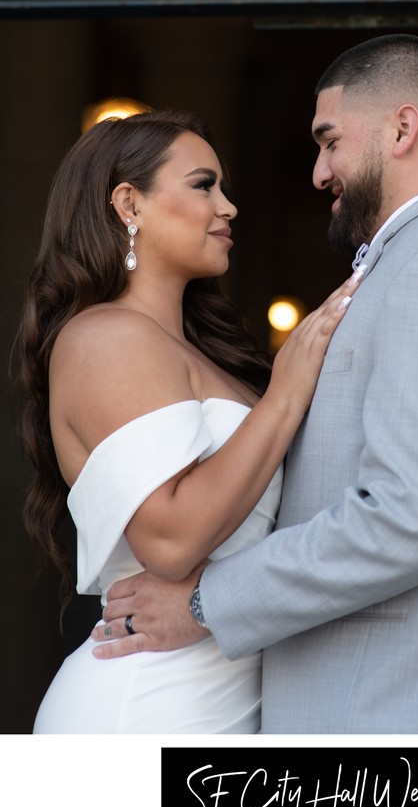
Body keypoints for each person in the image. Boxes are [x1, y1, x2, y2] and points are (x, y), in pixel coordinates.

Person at [93, 34, 418, 733]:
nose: (316, 172)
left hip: (409, 728)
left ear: (402, 128)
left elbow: (410, 517)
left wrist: (204, 602)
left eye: (329, 141)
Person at [14, 108, 358, 733]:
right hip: (145, 708)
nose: (228, 208)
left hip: (219, 701)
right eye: (204, 185)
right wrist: (286, 395)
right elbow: (168, 541)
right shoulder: (105, 337)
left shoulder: (201, 356)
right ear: (128, 204)